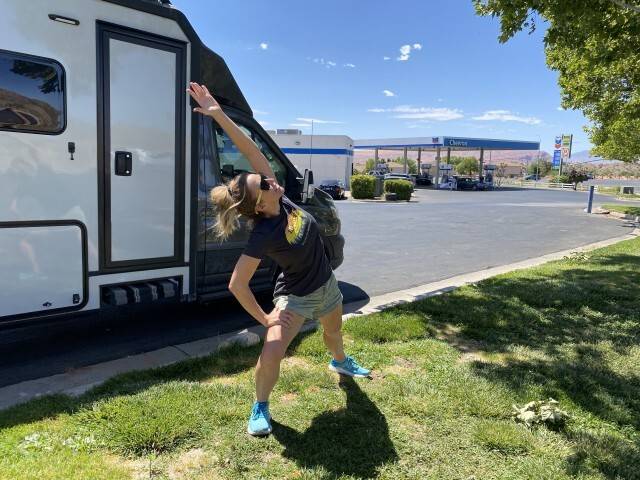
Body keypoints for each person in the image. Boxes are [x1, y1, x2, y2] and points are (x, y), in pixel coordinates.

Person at [187, 83, 370, 436]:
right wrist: (266, 317)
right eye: (265, 185)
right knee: (272, 353)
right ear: (259, 205)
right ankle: (261, 407)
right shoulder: (263, 232)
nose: (272, 181)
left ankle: (340, 362)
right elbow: (236, 284)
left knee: (334, 332)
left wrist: (217, 114)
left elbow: (253, 151)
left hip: (326, 285)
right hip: (296, 297)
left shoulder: (279, 197)